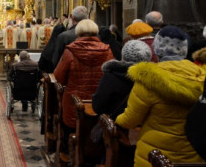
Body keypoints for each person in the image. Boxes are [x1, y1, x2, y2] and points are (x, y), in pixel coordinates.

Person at [116, 26, 206, 167]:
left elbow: (130, 120)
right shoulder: (201, 75)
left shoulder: (147, 78)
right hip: (194, 156)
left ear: (156, 49)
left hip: (154, 156)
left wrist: (117, 120)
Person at [53, 19, 114, 155]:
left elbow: (59, 76)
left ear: (78, 32)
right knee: (95, 133)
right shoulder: (107, 51)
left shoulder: (70, 51)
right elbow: (110, 77)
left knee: (73, 130)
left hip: (74, 101)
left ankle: (70, 156)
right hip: (98, 101)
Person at [92, 40, 152, 119]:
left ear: (123, 55)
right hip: (144, 127)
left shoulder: (111, 78)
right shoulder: (153, 80)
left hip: (115, 126)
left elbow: (98, 107)